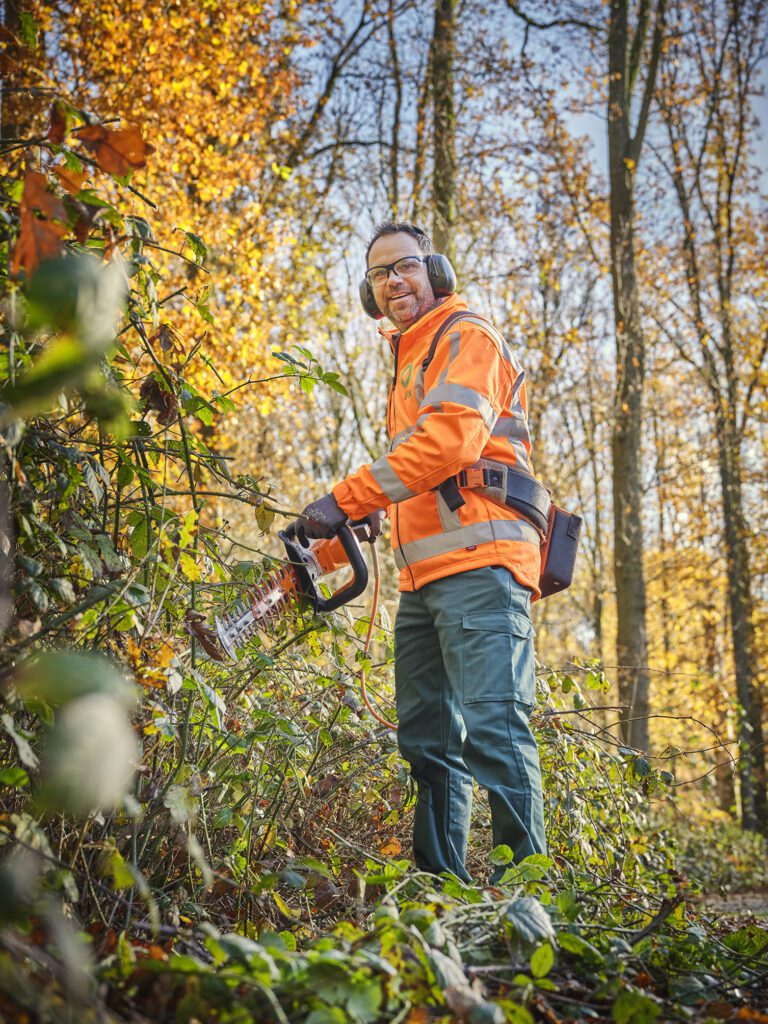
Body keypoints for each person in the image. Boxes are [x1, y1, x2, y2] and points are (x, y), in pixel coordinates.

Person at [297, 221, 546, 883]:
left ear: (435, 271)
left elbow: (450, 445)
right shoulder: (409, 362)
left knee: (494, 731)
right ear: (369, 293)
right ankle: (441, 896)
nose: (394, 282)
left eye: (404, 267)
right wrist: (374, 508)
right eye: (380, 275)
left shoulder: (466, 336)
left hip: (482, 566)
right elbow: (418, 469)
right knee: (430, 746)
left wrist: (346, 498)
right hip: (423, 579)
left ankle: (532, 905)